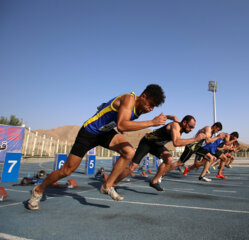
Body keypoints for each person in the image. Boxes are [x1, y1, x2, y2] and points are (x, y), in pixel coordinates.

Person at [28, 84, 166, 210]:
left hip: (105, 133)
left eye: (154, 107)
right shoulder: (129, 99)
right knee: (67, 170)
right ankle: (38, 190)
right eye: (150, 104)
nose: (151, 109)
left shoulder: (140, 109)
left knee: (129, 152)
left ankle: (107, 186)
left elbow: (120, 122)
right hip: (89, 132)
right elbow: (122, 125)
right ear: (143, 96)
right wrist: (152, 123)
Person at [113, 115, 206, 192]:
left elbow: (173, 117)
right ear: (184, 123)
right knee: (133, 166)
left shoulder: (179, 122)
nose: (191, 129)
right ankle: (113, 183)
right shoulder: (175, 126)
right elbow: (176, 143)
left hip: (157, 145)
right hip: (147, 142)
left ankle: (154, 181)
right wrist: (195, 139)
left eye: (193, 127)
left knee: (169, 159)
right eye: (191, 126)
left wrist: (165, 116)